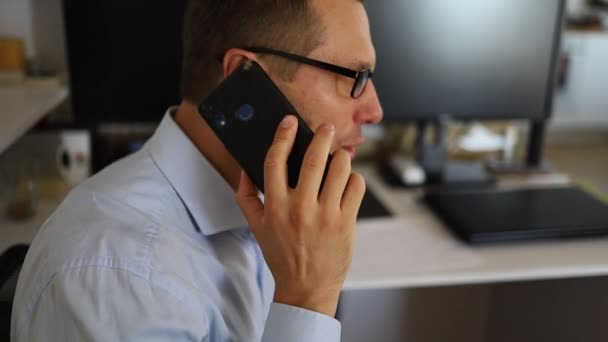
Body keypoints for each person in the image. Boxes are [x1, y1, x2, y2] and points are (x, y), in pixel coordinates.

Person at [11, 0, 383, 340]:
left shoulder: (276, 201)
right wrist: (308, 301)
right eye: (354, 77)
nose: (374, 110)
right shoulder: (122, 278)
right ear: (242, 74)